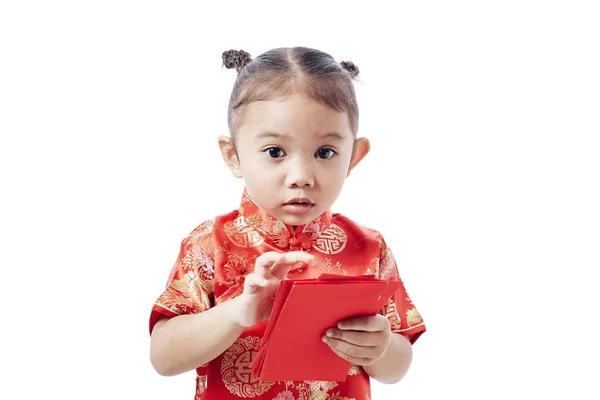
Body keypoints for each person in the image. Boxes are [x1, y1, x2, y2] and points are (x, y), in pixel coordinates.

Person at [148, 46, 426, 400]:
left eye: (325, 152)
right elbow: (163, 357)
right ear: (233, 155)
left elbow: (397, 368)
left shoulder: (369, 248)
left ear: (353, 157)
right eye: (275, 152)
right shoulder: (209, 243)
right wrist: (236, 312)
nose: (301, 176)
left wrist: (380, 345)